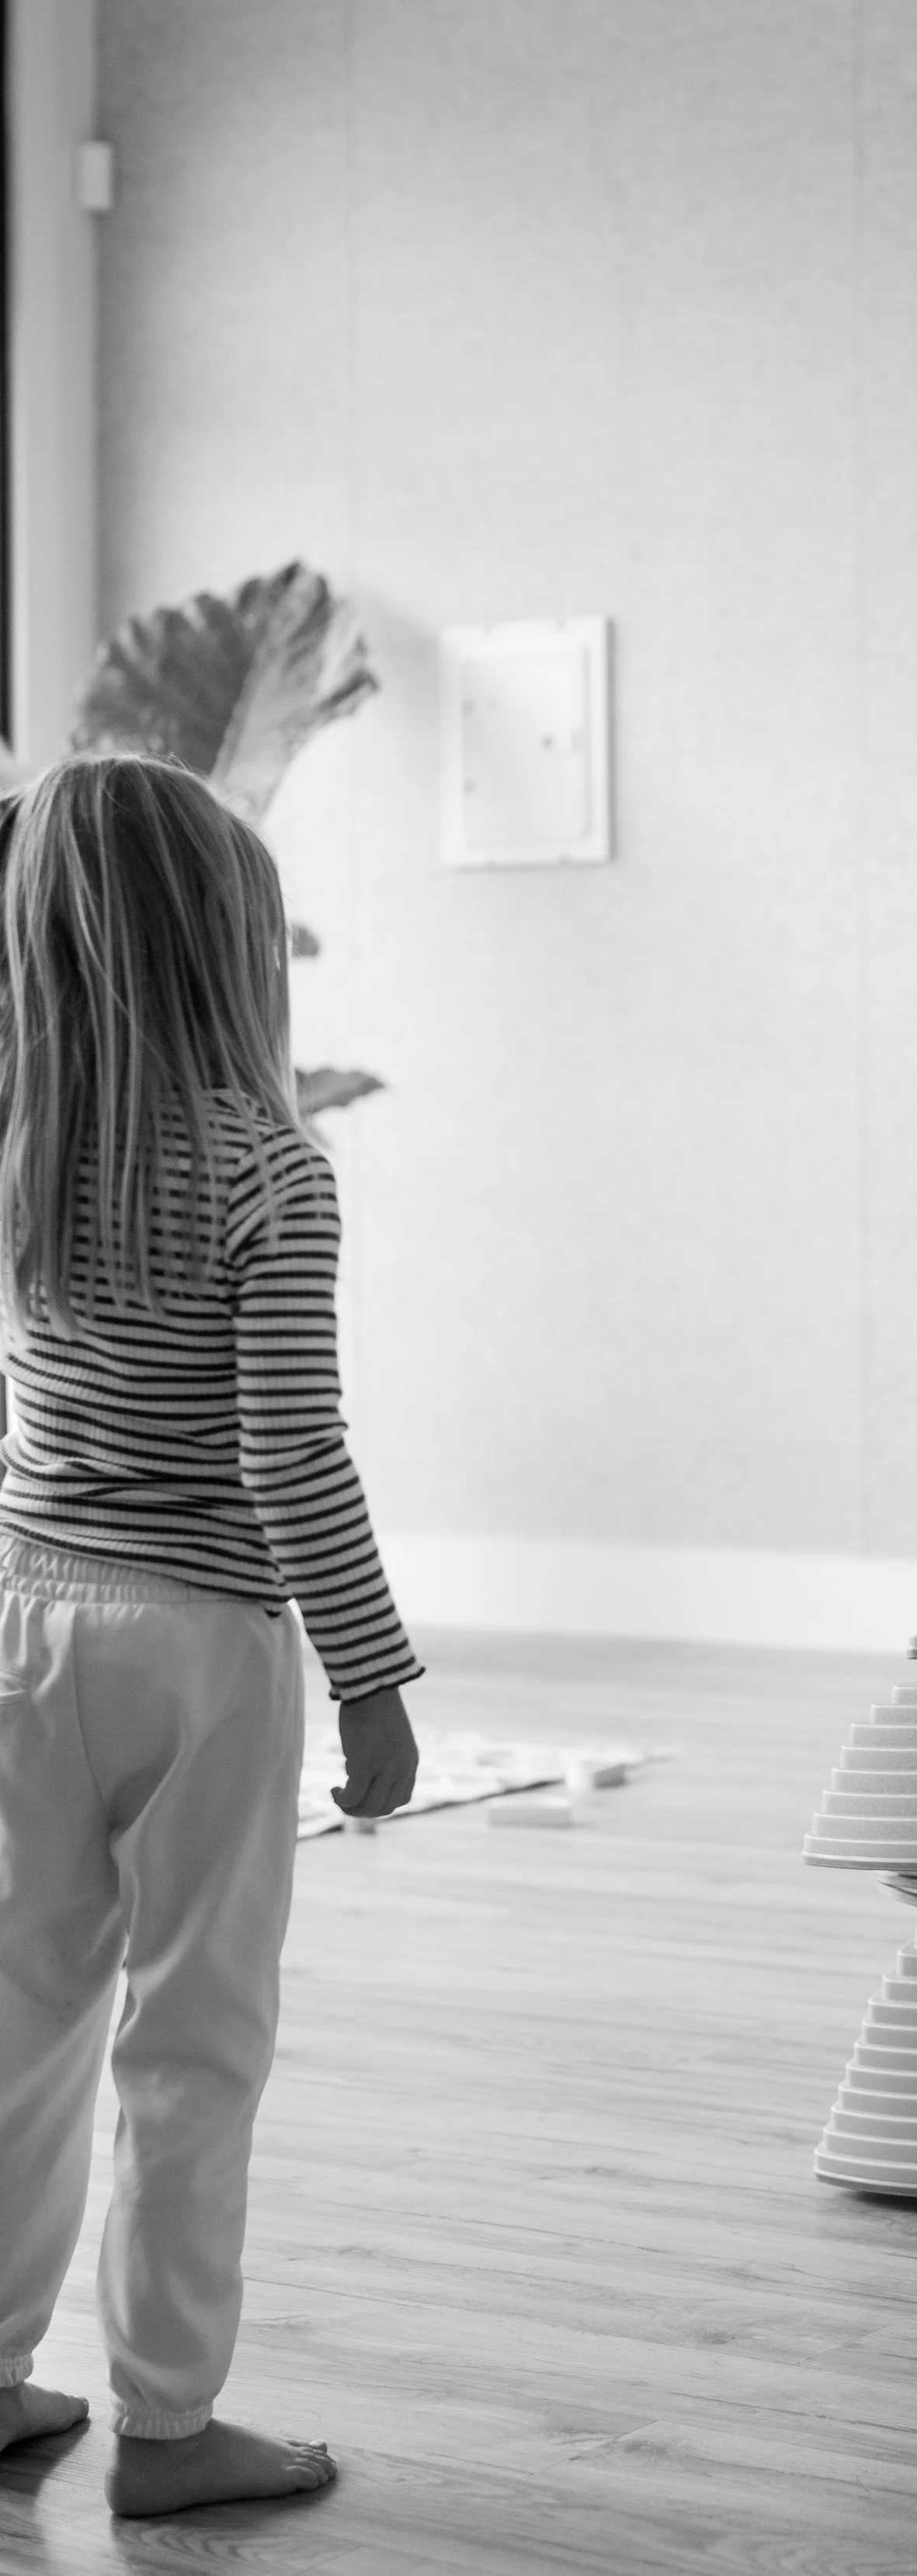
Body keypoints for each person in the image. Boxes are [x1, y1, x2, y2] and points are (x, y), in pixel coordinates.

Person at [0, 755, 421, 2517]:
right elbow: (286, 1447)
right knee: (194, 2041)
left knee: (18, 2019)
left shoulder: (22, 1136)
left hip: (19, 1622)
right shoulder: (268, 1166)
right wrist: (376, 1672)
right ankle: (168, 2428)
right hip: (204, 1647)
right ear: (233, 954)